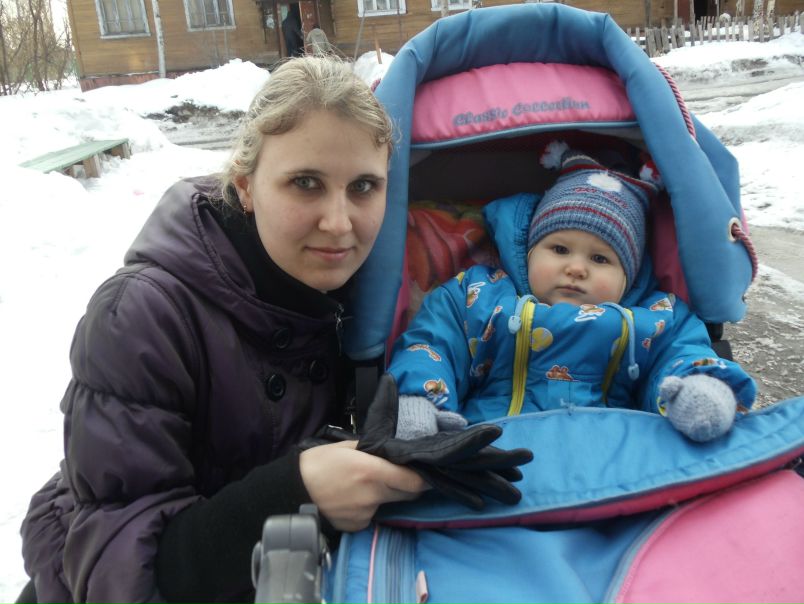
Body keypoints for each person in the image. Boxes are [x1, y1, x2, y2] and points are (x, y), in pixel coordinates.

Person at [17, 56, 429, 604]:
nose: (338, 222)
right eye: (305, 183)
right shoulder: (143, 318)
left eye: (363, 186)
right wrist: (296, 491)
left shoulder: (378, 298)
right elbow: (122, 572)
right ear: (245, 185)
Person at [388, 141, 757, 443]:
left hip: (614, 460)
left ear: (628, 277)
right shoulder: (480, 296)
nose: (576, 268)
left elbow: (681, 351)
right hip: (491, 449)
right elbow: (434, 343)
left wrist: (696, 384)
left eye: (600, 258)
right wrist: (422, 399)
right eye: (560, 249)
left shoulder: (654, 316)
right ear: (529, 252)